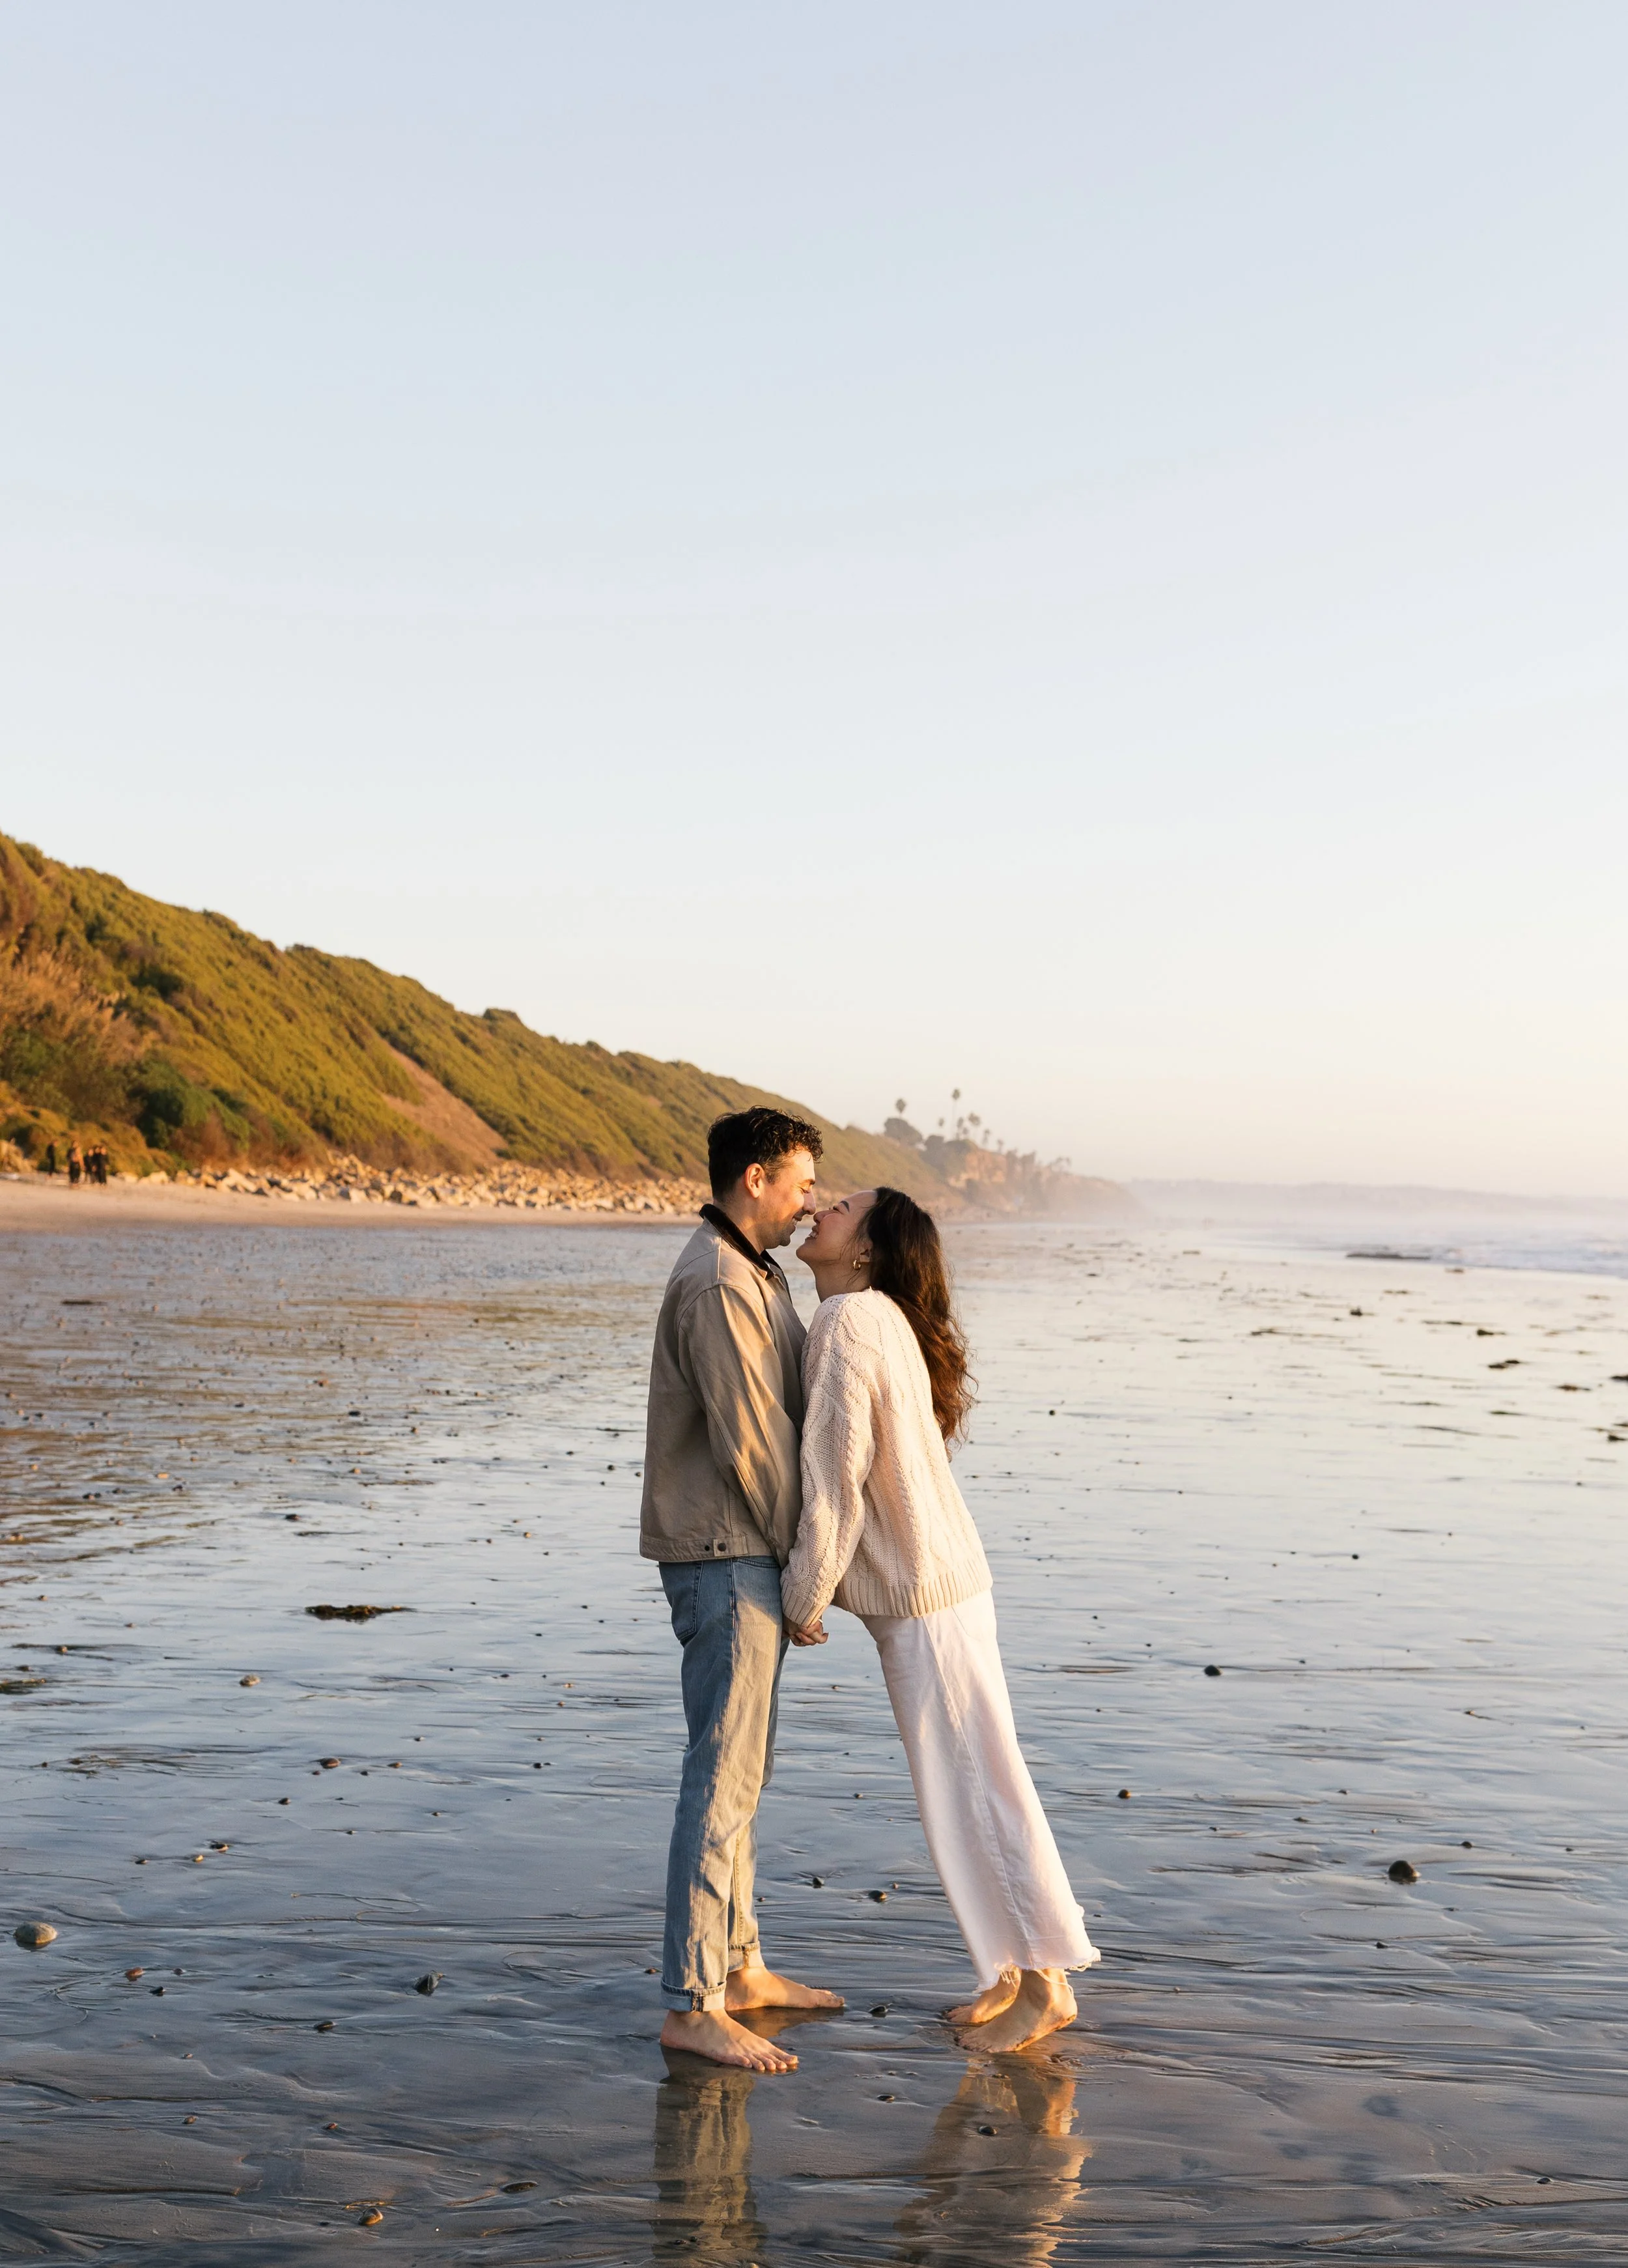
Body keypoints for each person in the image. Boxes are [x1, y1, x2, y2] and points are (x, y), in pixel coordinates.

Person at [783, 1185, 1100, 2052]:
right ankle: (1006, 1970)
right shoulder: (873, 1312)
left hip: (932, 1600)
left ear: (869, 1251)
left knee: (977, 1790)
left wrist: (804, 1594)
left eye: (842, 1206)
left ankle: (1046, 1986)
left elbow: (835, 1479)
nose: (820, 1205)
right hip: (947, 1589)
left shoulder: (848, 1321)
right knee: (964, 1786)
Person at [641, 1107, 845, 2073]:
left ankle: (741, 1964)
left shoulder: (750, 1271)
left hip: (737, 1549)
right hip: (727, 1552)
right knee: (719, 1778)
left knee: (741, 1775)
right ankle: (691, 1997)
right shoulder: (720, 1282)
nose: (810, 1202)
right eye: (801, 1183)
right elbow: (757, 1448)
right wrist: (808, 1573)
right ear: (756, 1178)